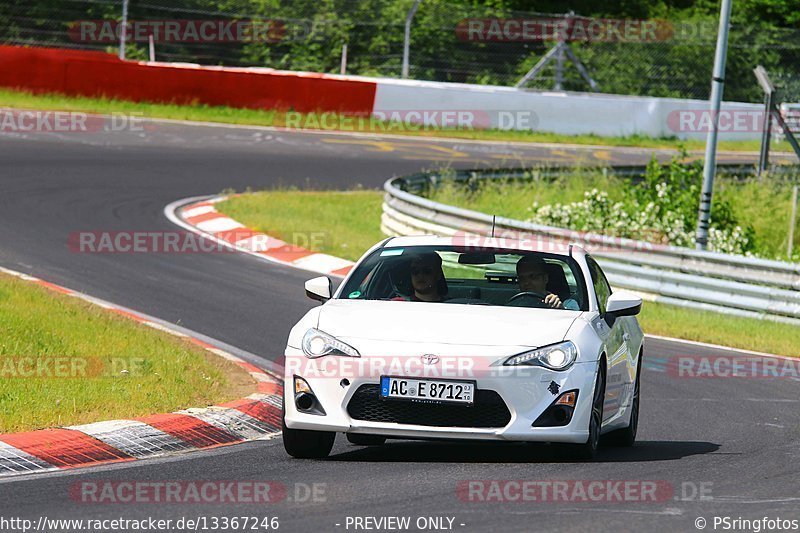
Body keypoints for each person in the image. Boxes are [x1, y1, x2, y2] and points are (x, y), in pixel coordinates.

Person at [514, 255, 579, 310]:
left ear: (545, 278)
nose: (526, 282)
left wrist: (560, 309)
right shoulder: (512, 304)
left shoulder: (568, 303)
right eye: (522, 278)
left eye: (533, 277)